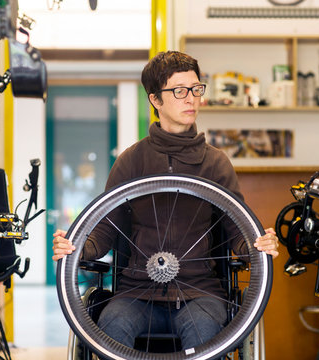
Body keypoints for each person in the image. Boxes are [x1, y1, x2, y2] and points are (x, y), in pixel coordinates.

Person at [53, 50, 279, 352]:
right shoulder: (132, 161)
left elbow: (237, 232)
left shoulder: (215, 163)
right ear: (156, 100)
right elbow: (104, 232)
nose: (191, 99)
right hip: (136, 293)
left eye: (196, 89)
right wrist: (74, 246)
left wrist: (258, 244)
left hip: (200, 293)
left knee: (205, 334)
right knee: (111, 326)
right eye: (180, 91)